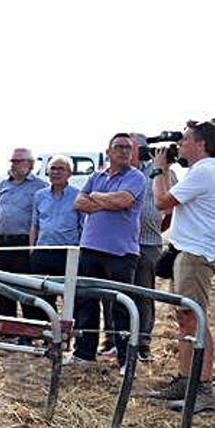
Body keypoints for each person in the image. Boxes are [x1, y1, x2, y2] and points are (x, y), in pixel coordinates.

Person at [150, 119, 215, 413]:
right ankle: (187, 379)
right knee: (185, 319)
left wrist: (160, 168)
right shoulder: (202, 171)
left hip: (195, 254)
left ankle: (202, 388)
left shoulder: (205, 171)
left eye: (185, 139)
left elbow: (162, 202)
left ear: (201, 144)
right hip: (187, 252)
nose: (179, 145)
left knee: (194, 318)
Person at [65, 133, 146, 370]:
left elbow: (123, 201)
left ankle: (125, 360)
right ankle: (84, 355)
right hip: (90, 248)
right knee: (87, 303)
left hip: (121, 253)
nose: (123, 151)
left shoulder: (136, 177)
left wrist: (97, 197)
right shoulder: (96, 175)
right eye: (119, 147)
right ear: (108, 151)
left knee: (121, 306)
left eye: (128, 148)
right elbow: (79, 203)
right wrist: (105, 202)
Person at [124, 133, 177, 361]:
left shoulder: (163, 171)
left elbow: (170, 209)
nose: (126, 151)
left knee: (144, 294)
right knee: (118, 292)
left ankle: (143, 343)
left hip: (148, 243)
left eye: (131, 147)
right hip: (121, 244)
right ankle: (116, 339)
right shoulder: (119, 171)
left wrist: (155, 227)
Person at [0, 148, 48, 321]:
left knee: (26, 287)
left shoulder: (40, 187)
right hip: (0, 243)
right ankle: (5, 326)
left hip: (23, 244)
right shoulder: (3, 184)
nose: (14, 165)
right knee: (0, 287)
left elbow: (42, 217)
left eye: (18, 161)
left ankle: (31, 329)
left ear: (30, 164)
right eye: (12, 161)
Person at [29, 155, 84, 310]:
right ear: (47, 171)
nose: (56, 172)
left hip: (67, 255)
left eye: (61, 169)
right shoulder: (40, 195)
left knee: (71, 299)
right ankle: (46, 332)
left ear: (69, 174)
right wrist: (32, 250)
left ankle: (68, 332)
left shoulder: (78, 196)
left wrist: (79, 254)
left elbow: (83, 227)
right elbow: (35, 225)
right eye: (53, 168)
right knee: (42, 299)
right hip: (43, 253)